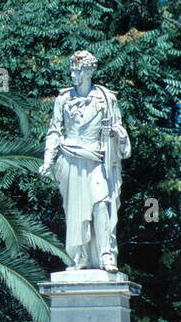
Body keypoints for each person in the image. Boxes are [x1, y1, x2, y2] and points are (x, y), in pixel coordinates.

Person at [38, 51, 131, 271]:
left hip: (96, 160)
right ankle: (79, 257)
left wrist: (117, 134)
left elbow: (119, 128)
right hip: (70, 160)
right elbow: (54, 131)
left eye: (76, 70)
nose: (72, 75)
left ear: (88, 71)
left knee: (101, 203)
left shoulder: (107, 98)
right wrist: (48, 159)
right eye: (71, 70)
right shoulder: (63, 99)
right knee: (75, 213)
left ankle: (105, 253)